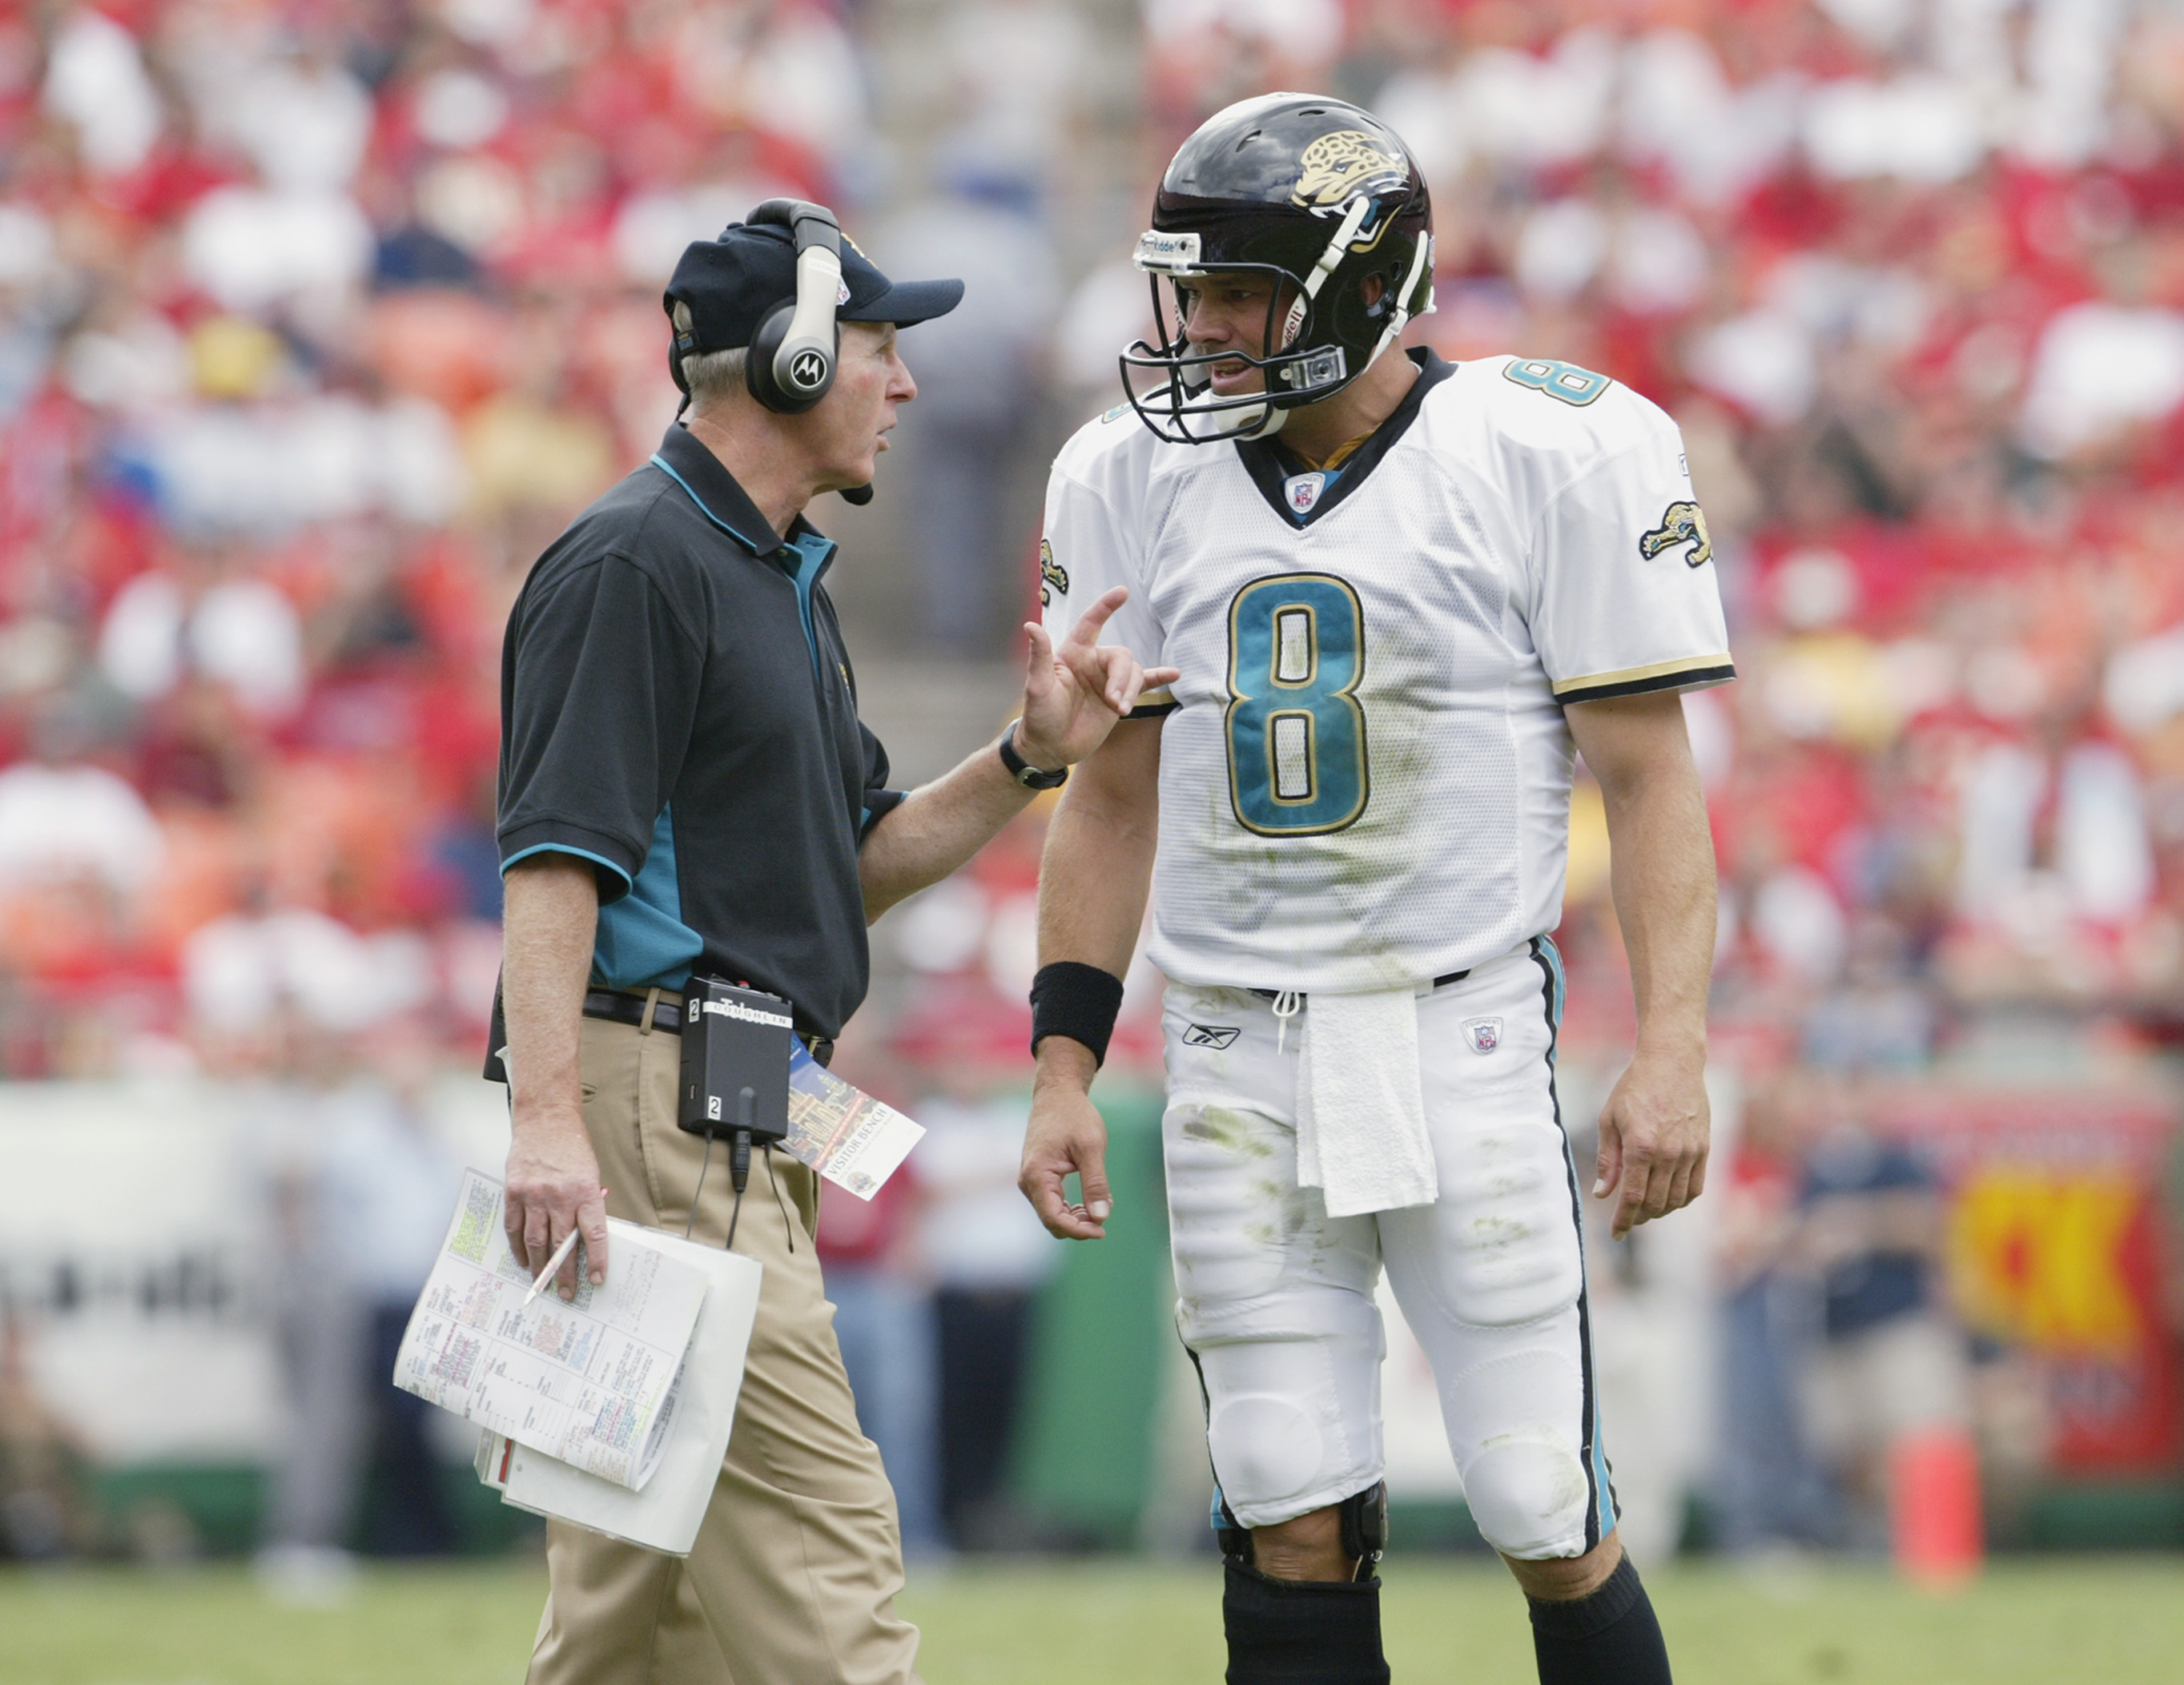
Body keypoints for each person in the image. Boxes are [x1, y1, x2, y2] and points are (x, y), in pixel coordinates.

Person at [1016, 98, 1728, 1685]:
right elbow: (1108, 790)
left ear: (1365, 283)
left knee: (1542, 1488)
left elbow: (1650, 778)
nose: (1199, 328)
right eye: (1186, 290)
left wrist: (1670, 1045)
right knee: (1279, 1484)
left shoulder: (1549, 448)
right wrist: (1064, 1058)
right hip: (1227, 1042)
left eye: (1240, 292)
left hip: (1457, 1021)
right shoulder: (1121, 472)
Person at [494, 199, 1174, 1685]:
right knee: (830, 1581)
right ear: (793, 362)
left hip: (714, 1105)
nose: (907, 381)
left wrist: (1025, 757)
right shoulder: (635, 564)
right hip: (659, 1117)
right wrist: (546, 1125)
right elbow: (552, 866)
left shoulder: (769, 573)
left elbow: (843, 870)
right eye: (878, 345)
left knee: (631, 1626)